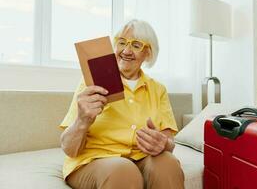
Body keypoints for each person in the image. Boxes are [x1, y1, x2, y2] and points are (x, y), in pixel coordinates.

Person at [60, 19, 184, 189]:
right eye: (122, 42)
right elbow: (69, 148)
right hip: (95, 160)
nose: (126, 50)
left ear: (148, 53)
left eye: (136, 45)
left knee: (168, 163)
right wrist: (82, 120)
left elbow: (169, 141)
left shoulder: (158, 89)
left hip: (142, 158)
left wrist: (163, 143)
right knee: (123, 170)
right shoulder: (92, 82)